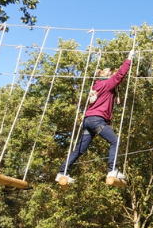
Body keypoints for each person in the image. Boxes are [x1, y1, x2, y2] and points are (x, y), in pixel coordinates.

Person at [56, 51, 135, 184]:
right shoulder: (108, 83)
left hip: (88, 121)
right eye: (112, 74)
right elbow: (120, 75)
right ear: (109, 76)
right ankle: (112, 170)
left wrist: (115, 95)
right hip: (96, 120)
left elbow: (111, 89)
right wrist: (129, 58)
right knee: (115, 141)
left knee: (80, 149)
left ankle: (61, 172)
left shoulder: (98, 85)